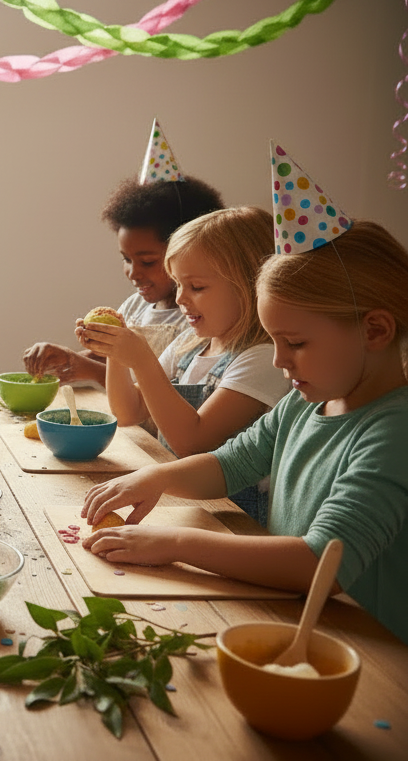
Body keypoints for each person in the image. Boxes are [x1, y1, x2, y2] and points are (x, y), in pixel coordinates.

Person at [82, 147, 408, 644]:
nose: (278, 361)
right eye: (274, 341)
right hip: (298, 623)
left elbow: (321, 561)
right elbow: (229, 463)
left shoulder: (394, 433)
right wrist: (155, 477)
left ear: (377, 330)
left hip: (369, 653)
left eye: (295, 343)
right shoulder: (306, 401)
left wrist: (176, 543)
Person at [83, 207, 291, 524]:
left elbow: (192, 442)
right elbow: (128, 412)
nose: (180, 298)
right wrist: (114, 349)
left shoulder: (264, 357)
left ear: (249, 286)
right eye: (178, 284)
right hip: (182, 504)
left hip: (233, 520)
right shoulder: (189, 346)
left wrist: (141, 358)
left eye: (196, 287)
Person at [24, 120, 225, 385]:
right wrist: (69, 358)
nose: (133, 273)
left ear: (189, 252)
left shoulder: (197, 319)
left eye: (147, 261)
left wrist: (85, 368)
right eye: (126, 259)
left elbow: (155, 391)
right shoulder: (134, 307)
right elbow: (114, 361)